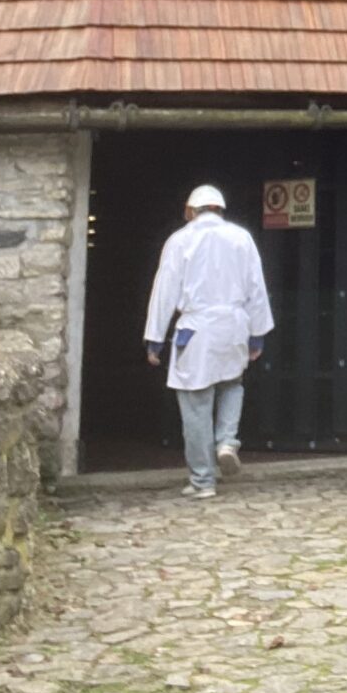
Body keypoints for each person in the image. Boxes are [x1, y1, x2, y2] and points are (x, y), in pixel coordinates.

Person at [142, 183, 274, 499]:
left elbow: (165, 290)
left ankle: (203, 480)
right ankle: (227, 441)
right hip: (234, 324)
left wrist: (155, 338)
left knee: (196, 404)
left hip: (196, 328)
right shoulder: (242, 238)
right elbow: (256, 285)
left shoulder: (180, 240)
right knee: (232, 382)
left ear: (190, 211)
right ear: (220, 209)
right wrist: (258, 333)